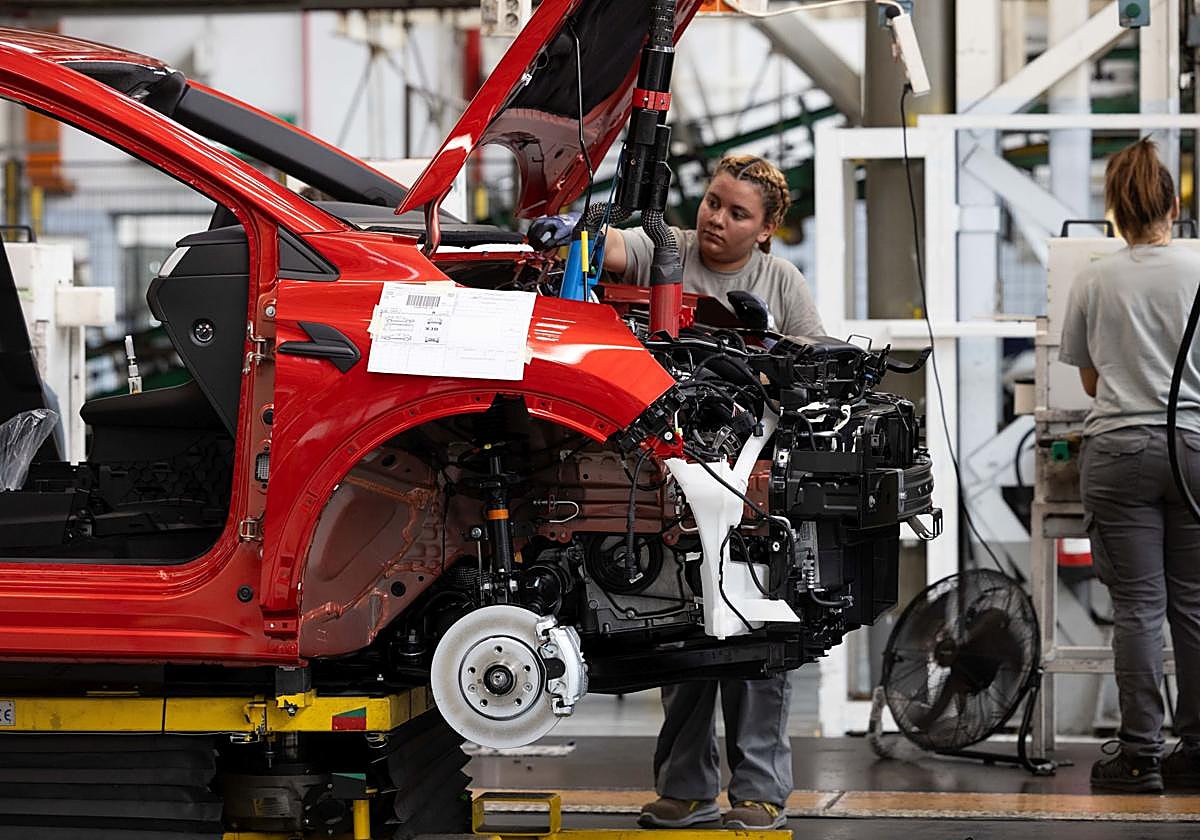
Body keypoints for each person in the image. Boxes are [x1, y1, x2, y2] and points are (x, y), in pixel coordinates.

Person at [603, 154, 822, 829]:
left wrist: (772, 357)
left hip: (753, 480)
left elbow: (813, 367)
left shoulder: (781, 281)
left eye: (737, 213)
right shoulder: (666, 248)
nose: (717, 220)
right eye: (713, 203)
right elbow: (611, 248)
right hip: (668, 474)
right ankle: (686, 788)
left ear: (766, 229)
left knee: (756, 632)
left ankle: (759, 791)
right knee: (679, 628)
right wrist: (577, 226)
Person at [1059, 137, 1200, 793]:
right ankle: (1196, 750)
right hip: (1193, 449)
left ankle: (1140, 756)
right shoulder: (1197, 269)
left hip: (1119, 454)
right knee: (1192, 606)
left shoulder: (1094, 278)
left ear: (1114, 210)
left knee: (1139, 608)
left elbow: (1090, 382)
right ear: (1173, 205)